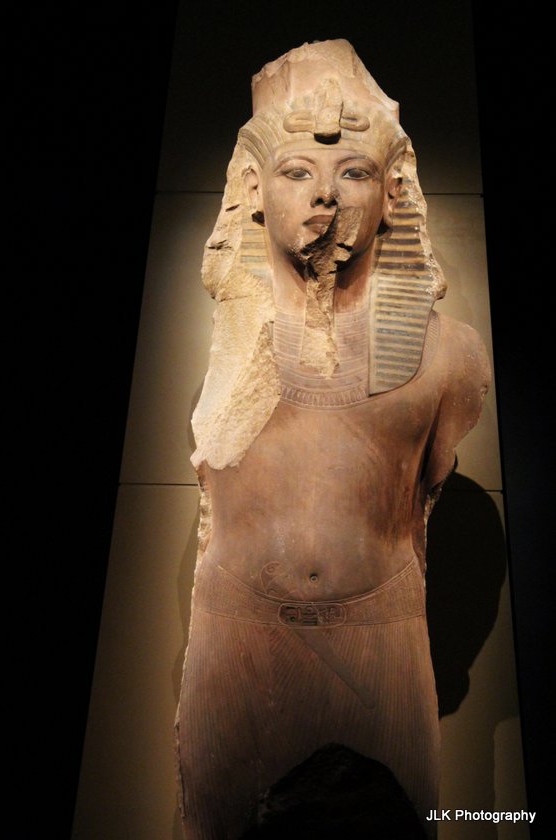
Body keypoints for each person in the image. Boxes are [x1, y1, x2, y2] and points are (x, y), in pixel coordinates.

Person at [175, 40, 490, 839]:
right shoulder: (232, 357)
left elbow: (427, 483)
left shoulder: (449, 355)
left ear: (392, 192)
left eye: (353, 171)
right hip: (236, 637)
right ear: (253, 188)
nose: (325, 195)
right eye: (296, 171)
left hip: (380, 640)